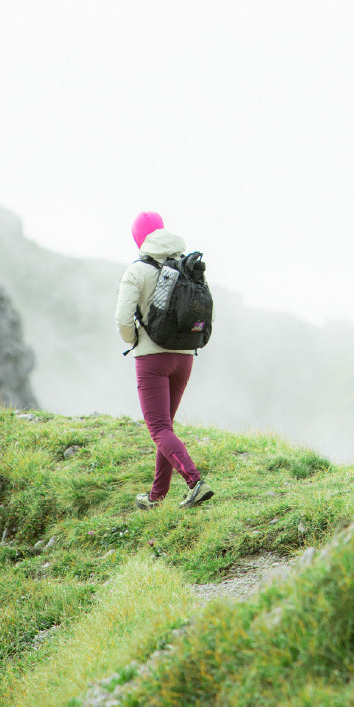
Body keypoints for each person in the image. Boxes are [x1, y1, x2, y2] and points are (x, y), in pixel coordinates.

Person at [115, 211, 214, 510]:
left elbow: (122, 319)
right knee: (165, 427)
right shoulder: (187, 266)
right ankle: (156, 496)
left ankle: (195, 483)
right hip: (185, 357)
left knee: (158, 428)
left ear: (138, 238)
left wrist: (135, 341)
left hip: (152, 359)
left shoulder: (137, 270)